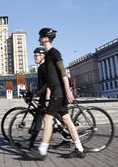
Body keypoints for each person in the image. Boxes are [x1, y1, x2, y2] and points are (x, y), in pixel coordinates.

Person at [35, 28, 85, 159]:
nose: (39, 38)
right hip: (57, 92)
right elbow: (49, 81)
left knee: (47, 118)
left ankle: (42, 150)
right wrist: (37, 93)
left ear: (46, 38)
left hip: (59, 92)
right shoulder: (47, 56)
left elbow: (63, 72)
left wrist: (68, 91)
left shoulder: (54, 53)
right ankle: (79, 149)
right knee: (67, 119)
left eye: (40, 36)